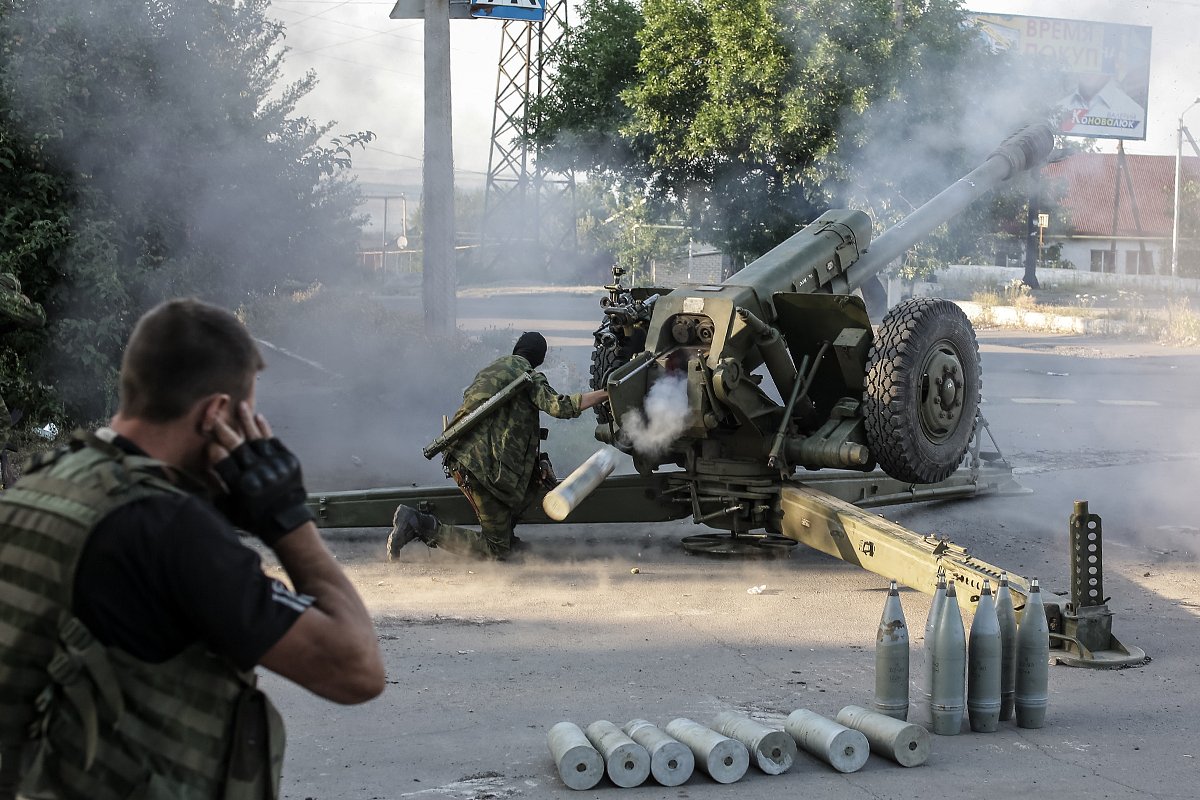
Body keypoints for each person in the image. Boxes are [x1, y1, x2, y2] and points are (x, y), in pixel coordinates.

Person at [0, 298, 384, 800]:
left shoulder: (43, 484)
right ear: (217, 413)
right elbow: (356, 668)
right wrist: (287, 520)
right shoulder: (171, 530)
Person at [387, 331, 608, 561]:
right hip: (483, 468)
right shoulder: (529, 377)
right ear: (540, 358)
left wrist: (539, 460)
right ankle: (419, 524)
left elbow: (506, 428)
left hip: (462, 457)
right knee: (496, 550)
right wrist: (607, 393)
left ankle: (506, 537)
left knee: (528, 488)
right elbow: (560, 407)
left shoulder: (491, 371)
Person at [0, 273, 46, 487]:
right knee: (2, 421)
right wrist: (26, 303)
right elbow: (37, 316)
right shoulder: (2, 295)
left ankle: (6, 476)